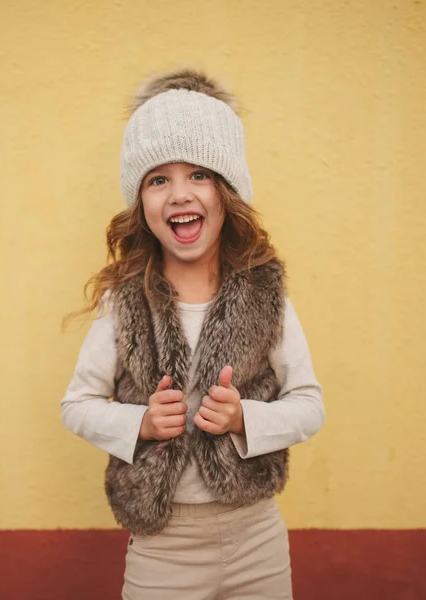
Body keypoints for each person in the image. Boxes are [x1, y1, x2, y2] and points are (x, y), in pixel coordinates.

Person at [61, 69, 325, 600]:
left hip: (257, 536)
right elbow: (77, 404)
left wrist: (243, 417)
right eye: (158, 179)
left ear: (227, 192)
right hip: (163, 545)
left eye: (199, 174)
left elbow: (309, 404)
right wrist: (141, 423)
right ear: (141, 204)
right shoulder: (124, 302)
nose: (179, 194)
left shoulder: (265, 294)